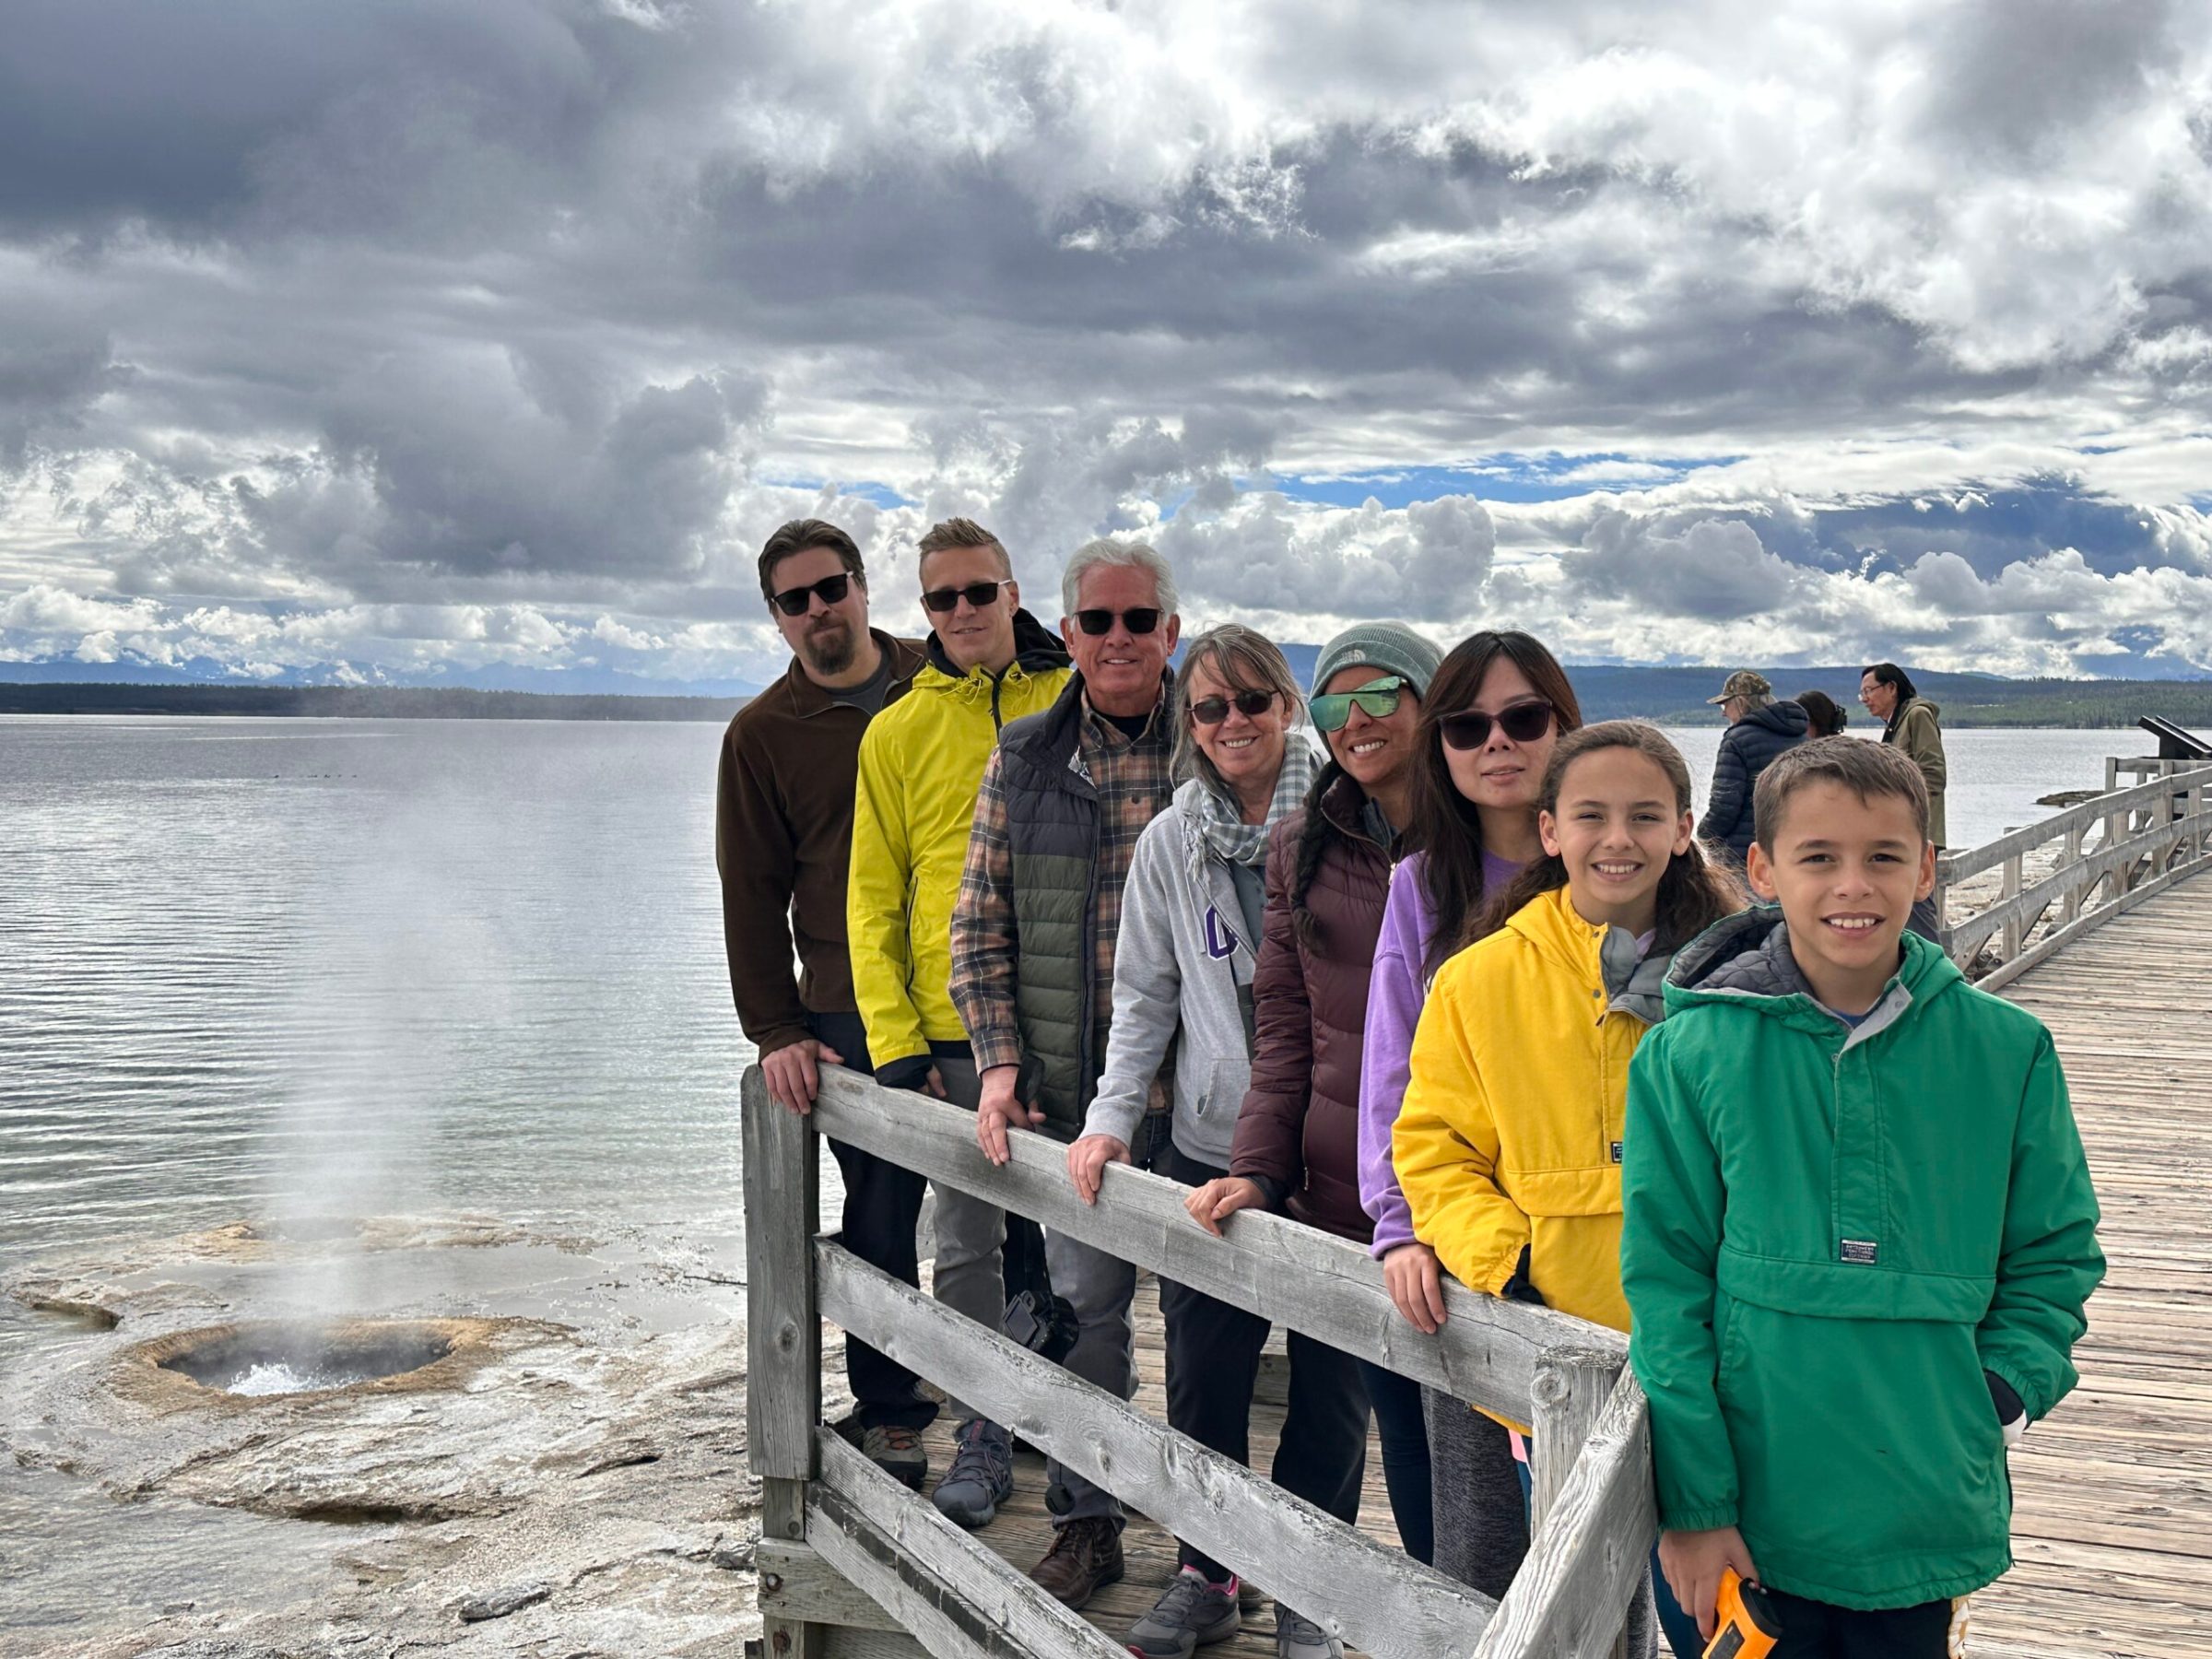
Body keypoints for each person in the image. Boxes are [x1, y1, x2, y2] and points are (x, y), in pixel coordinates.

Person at [1624, 738, 2104, 1657]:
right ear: (1761, 869)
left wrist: (1999, 1393)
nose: (1855, 885)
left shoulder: (2009, 1051)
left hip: (1923, 1507)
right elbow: (1667, 1284)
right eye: (1819, 858)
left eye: (1884, 857)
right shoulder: (1688, 1057)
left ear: (1925, 868)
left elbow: (2057, 1253)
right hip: (1750, 1515)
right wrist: (1692, 1506)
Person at [1394, 721, 1742, 1658]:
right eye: (1590, 815)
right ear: (1550, 831)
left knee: (1717, 1618)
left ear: (1684, 828)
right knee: (1580, 1609)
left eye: (1644, 815)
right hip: (1562, 1356)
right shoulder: (1478, 981)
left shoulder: (1742, 977)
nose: (1616, 838)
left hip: (1730, 1360)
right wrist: (1510, 1264)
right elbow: (1433, 1148)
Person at [1062, 625, 1335, 1659]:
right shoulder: (1172, 842)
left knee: (1330, 1377)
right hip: (1209, 1141)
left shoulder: (1351, 828)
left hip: (1330, 1152)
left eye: (1253, 701)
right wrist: (1108, 1120)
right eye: (1211, 709)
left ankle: (1316, 1585)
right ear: (1191, 724)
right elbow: (1144, 998)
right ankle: (1209, 1571)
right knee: (1204, 1374)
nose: (1233, 724)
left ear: (1288, 705)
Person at [948, 537, 1182, 1608]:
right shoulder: (1027, 758)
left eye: (1140, 621)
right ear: (1070, 634)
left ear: (1170, 631)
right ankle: (1089, 1526)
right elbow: (975, 932)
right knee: (1087, 1317)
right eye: (1098, 622)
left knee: (1214, 1325)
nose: (1120, 640)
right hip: (1076, 1098)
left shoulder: (1225, 743)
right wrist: (999, 1064)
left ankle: (1223, 1555)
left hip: (1210, 1098)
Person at [1182, 622, 1444, 1561]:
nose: (1359, 720)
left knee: (1496, 1471)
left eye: (1384, 697)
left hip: (1471, 1203)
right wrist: (1256, 1169)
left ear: (1429, 703)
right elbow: (1285, 1028)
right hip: (1349, 1196)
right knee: (1408, 1456)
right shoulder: (1303, 845)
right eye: (1340, 701)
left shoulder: (1478, 839)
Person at [847, 517, 1072, 1527]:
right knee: (970, 1247)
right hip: (949, 1034)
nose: (965, 613)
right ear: (923, 612)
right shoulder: (897, 729)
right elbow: (870, 897)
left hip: (1070, 1023)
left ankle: (1077, 1443)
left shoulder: (1071, 697)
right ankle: (982, 1429)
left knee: (1081, 1253)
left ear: (1012, 592)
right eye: (943, 600)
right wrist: (896, 1050)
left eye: (981, 593)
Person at [1357, 629, 1581, 1592]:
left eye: (1524, 719)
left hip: (1618, 1255)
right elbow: (1392, 1073)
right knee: (1485, 1549)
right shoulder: (1421, 888)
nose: (1498, 743)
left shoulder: (1615, 876)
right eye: (1467, 725)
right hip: (1474, 1257)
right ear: (1438, 747)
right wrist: (1400, 1227)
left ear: (1565, 727)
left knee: (1620, 1538)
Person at [714, 518, 931, 1486]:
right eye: (795, 600)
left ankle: (1021, 1398)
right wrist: (777, 1029)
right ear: (776, 617)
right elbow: (750, 891)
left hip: (979, 990)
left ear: (862, 587)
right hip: (848, 1005)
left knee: (1014, 1205)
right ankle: (891, 1410)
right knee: (882, 1213)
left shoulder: (942, 678)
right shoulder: (762, 735)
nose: (818, 611)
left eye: (831, 588)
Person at [1858, 663, 1947, 940]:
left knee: (1918, 914)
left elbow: (1933, 775)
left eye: (1869, 691)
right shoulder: (1895, 724)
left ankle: (1934, 979)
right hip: (1900, 836)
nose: (1865, 699)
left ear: (1892, 688)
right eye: (1861, 694)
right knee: (1902, 914)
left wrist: (1895, 808)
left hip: (1917, 836)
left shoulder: (1917, 716)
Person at [1697, 671, 1809, 868]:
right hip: (1791, 848)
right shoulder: (1801, 738)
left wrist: (1705, 834)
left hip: (1742, 856)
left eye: (1725, 704)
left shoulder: (1736, 739)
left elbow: (1725, 803)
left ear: (1741, 702)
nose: (1723, 712)